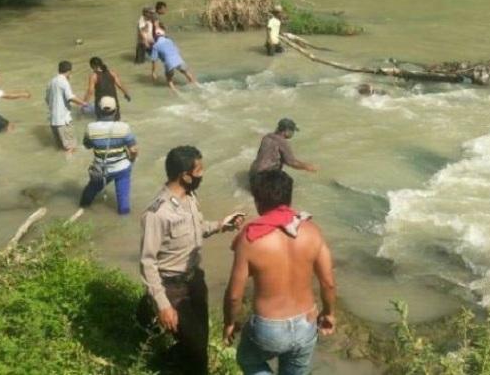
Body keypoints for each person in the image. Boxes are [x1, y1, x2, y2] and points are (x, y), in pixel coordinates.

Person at [139, 145, 246, 375]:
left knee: (200, 341)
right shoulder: (157, 213)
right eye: (199, 170)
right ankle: (160, 350)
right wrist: (163, 305)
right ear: (184, 175)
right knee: (196, 349)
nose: (202, 174)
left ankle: (177, 361)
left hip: (195, 280)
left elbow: (196, 228)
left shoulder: (190, 197)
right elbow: (147, 262)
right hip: (172, 288)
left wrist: (220, 225)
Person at [223, 169, 336, 375]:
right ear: (289, 198)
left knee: (247, 360)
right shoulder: (312, 231)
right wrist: (329, 313)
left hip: (268, 328)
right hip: (306, 323)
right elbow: (328, 282)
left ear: (257, 202)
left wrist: (229, 323)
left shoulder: (250, 239)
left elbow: (234, 296)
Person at [79, 96, 137, 214]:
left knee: (88, 194)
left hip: (101, 169)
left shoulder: (91, 128)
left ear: (99, 110)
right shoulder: (124, 127)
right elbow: (134, 150)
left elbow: (87, 145)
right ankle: (123, 219)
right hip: (122, 168)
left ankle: (82, 209)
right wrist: (131, 160)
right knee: (123, 202)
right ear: (115, 111)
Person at [249, 118, 317, 186]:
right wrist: (308, 167)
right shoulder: (282, 141)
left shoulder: (267, 137)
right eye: (292, 131)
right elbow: (291, 162)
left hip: (253, 174)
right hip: (264, 178)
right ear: (286, 131)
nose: (293, 133)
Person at [45, 61, 88, 154]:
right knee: (71, 148)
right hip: (63, 121)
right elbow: (70, 97)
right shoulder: (64, 82)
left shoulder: (51, 82)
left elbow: (47, 99)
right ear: (69, 71)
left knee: (60, 148)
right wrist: (84, 103)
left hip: (53, 120)